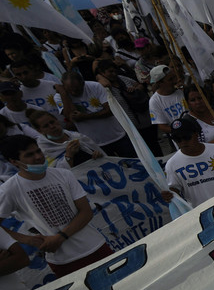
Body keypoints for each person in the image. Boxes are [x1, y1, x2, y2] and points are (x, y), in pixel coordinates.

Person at [0, 135, 114, 277]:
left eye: (38, 151)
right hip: (63, 261)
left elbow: (85, 212)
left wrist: (59, 238)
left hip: (94, 246)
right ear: (14, 162)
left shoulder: (64, 174)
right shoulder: (9, 189)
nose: (38, 157)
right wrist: (27, 239)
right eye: (29, 155)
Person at [162, 116, 214, 206]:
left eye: (186, 137)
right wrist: (167, 195)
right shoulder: (171, 164)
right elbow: (173, 192)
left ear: (196, 134)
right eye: (177, 139)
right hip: (203, 214)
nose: (182, 142)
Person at [54, 70, 134, 158]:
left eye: (77, 89)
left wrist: (85, 116)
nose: (73, 92)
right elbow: (70, 116)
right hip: (94, 144)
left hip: (117, 136)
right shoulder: (60, 96)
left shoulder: (95, 86)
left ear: (83, 83)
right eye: (70, 90)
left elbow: (109, 111)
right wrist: (64, 94)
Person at [27, 110, 104, 169]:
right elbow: (55, 174)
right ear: (40, 131)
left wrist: (98, 155)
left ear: (57, 120)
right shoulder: (43, 150)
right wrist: (68, 156)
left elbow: (102, 156)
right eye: (46, 126)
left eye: (52, 122)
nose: (52, 126)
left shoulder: (77, 136)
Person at [147, 65, 186, 136]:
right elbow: (162, 126)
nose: (175, 81)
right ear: (159, 83)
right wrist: (181, 131)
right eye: (170, 79)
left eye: (174, 77)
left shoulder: (181, 90)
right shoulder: (154, 101)